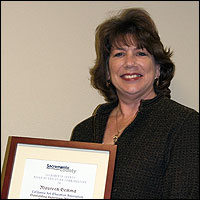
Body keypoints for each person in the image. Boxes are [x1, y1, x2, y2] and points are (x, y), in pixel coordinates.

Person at [70, 8, 199, 199]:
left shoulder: (184, 124)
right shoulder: (84, 131)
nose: (130, 63)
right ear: (107, 71)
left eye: (140, 53)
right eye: (119, 54)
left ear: (157, 69)